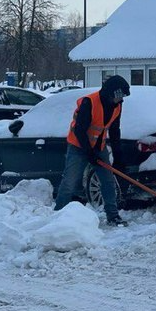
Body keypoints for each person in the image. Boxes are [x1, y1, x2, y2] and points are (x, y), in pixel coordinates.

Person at [53, 74, 130, 226]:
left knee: (108, 181)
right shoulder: (89, 102)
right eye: (120, 95)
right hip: (78, 146)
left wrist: (118, 155)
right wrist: (89, 153)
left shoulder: (117, 106)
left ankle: (113, 215)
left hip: (99, 147)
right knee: (70, 182)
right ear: (111, 93)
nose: (121, 100)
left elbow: (114, 131)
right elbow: (80, 130)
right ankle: (57, 217)